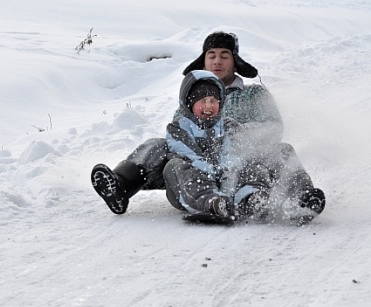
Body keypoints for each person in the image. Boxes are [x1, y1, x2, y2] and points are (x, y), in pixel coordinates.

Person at [91, 31, 325, 223]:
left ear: (235, 62)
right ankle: (120, 187)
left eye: (224, 55)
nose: (217, 61)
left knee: (283, 150)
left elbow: (273, 127)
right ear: (203, 61)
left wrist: (233, 136)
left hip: (243, 161)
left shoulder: (254, 94)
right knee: (156, 145)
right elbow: (178, 131)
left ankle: (300, 199)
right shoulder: (190, 97)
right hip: (195, 166)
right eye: (211, 55)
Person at [164, 70, 272, 222]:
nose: (209, 106)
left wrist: (227, 176)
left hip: (226, 179)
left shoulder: (227, 125)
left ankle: (251, 198)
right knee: (176, 165)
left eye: (213, 101)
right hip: (191, 184)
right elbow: (188, 154)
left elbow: (233, 152)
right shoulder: (178, 127)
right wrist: (212, 173)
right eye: (203, 101)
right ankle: (211, 202)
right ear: (190, 103)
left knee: (252, 164)